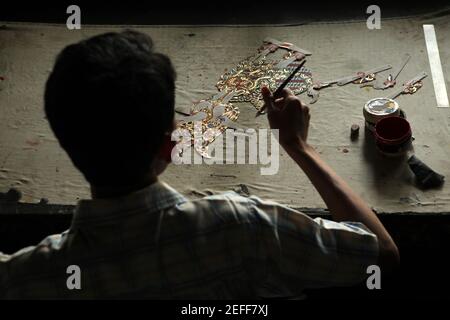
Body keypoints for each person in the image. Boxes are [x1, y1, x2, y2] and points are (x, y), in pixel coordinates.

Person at [0, 30, 399, 299]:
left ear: (65, 140)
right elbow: (382, 255)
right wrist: (298, 147)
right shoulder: (240, 227)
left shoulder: (32, 276)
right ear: (172, 144)